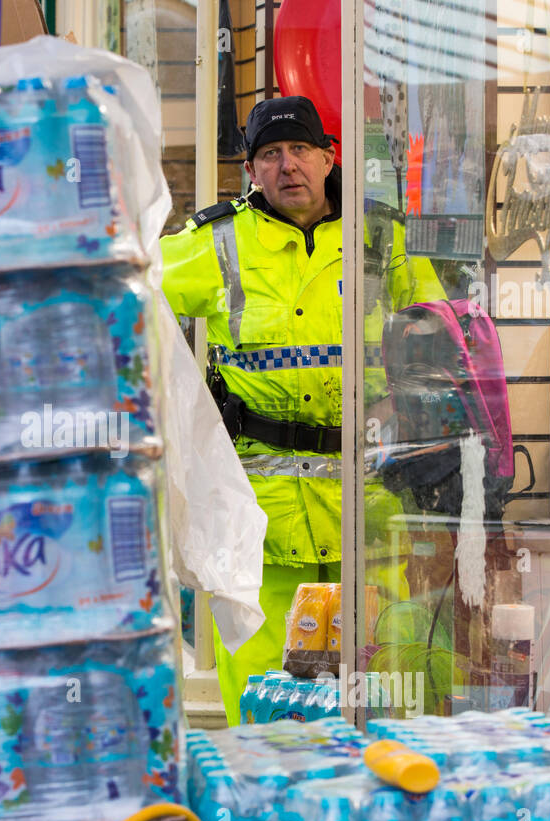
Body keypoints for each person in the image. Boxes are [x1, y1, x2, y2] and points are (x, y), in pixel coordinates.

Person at [160, 96, 445, 725]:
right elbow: (132, 292)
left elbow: (440, 332)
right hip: (260, 524)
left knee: (374, 695)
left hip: (365, 511)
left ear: (327, 157)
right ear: (251, 170)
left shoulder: (381, 237)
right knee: (262, 707)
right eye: (270, 155)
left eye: (299, 150)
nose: (288, 166)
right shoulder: (218, 241)